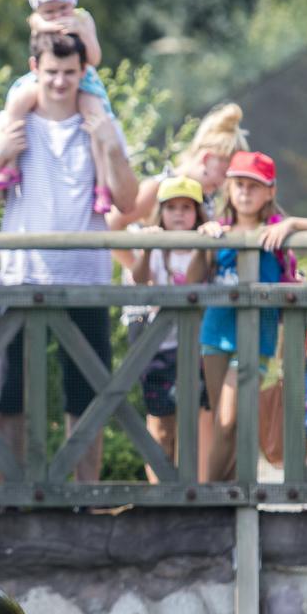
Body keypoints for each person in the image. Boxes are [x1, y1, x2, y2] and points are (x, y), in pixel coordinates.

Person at [0, 31, 139, 484]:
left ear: (83, 72)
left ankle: (83, 497)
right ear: (34, 68)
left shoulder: (100, 120)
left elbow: (128, 200)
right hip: (23, 273)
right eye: (51, 73)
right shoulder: (12, 122)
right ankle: (12, 495)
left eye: (69, 73)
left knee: (87, 396)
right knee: (10, 393)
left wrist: (111, 145)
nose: (60, 82)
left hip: (86, 275)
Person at [188, 151, 307, 482]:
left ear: (270, 191)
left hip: (258, 337)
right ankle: (234, 500)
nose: (245, 192)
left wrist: (293, 224)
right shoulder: (219, 230)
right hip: (215, 332)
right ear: (228, 188)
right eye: (239, 184)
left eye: (254, 186)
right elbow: (195, 278)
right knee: (225, 424)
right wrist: (202, 241)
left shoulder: (278, 231)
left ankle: (210, 499)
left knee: (230, 420)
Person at [0, 0, 120, 215]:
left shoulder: (83, 19)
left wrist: (79, 31)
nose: (58, 15)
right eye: (50, 11)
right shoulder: (38, 20)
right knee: (16, 102)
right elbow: (37, 33)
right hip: (44, 78)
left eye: (63, 8)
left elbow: (93, 58)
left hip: (83, 79)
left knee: (96, 121)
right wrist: (48, 25)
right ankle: (10, 165)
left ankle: (102, 186)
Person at [124, 176, 212, 482]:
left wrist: (205, 241)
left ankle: (193, 486)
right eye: (171, 207)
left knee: (196, 419)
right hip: (158, 346)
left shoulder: (205, 242)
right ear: (160, 211)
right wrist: (148, 248)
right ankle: (160, 488)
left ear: (198, 212)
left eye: (186, 207)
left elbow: (196, 280)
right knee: (161, 422)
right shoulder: (154, 245)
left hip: (195, 346)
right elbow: (138, 279)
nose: (178, 214)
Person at [112, 101, 248, 232]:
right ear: (206, 159)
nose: (223, 183)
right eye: (223, 174)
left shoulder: (206, 198)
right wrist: (136, 256)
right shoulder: (157, 188)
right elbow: (113, 224)